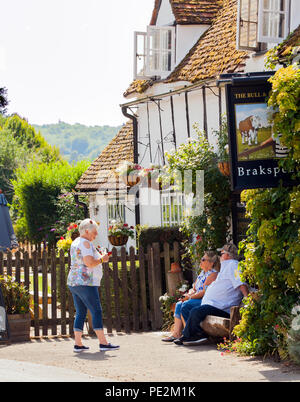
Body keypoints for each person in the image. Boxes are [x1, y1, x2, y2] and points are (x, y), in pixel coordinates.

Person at [174, 243, 249, 346]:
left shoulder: (233, 265)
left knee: (196, 311)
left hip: (221, 307)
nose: (220, 256)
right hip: (213, 304)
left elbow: (240, 283)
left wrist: (247, 298)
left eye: (221, 253)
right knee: (187, 307)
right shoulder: (226, 267)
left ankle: (189, 336)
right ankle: (197, 334)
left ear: (227, 255)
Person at [67, 218, 119, 353]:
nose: (95, 235)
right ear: (86, 231)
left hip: (74, 281)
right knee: (96, 310)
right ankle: (103, 343)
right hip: (86, 282)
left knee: (81, 312)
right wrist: (103, 259)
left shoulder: (76, 242)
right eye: (94, 232)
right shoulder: (85, 243)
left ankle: (78, 344)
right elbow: (89, 263)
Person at [162, 251, 219, 342]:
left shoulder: (213, 274)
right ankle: (177, 334)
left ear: (211, 263)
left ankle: (187, 334)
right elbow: (195, 288)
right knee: (179, 304)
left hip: (204, 300)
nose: (201, 261)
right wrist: (188, 294)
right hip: (196, 298)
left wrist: (189, 298)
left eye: (203, 259)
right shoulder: (202, 273)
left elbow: (205, 292)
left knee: (186, 304)